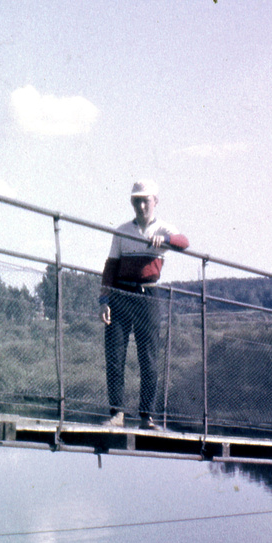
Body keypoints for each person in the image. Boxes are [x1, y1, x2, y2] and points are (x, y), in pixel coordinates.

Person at [99, 179, 188, 428]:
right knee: (115, 355)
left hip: (148, 297)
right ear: (132, 202)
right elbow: (110, 268)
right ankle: (116, 413)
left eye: (145, 200)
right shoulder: (122, 230)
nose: (141, 205)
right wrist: (103, 300)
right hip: (120, 295)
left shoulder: (164, 229)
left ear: (155, 202)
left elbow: (185, 242)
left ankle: (146, 416)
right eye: (136, 200)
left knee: (148, 358)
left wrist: (167, 242)